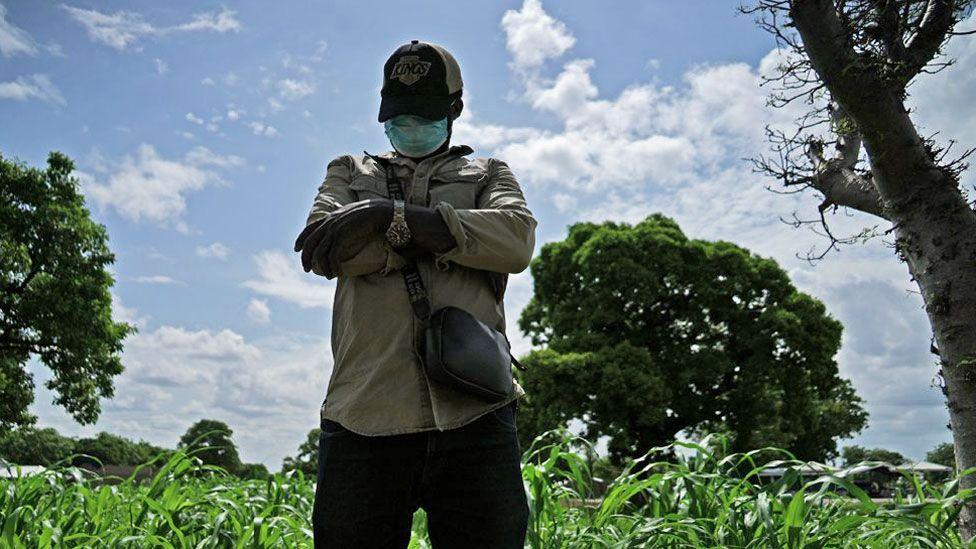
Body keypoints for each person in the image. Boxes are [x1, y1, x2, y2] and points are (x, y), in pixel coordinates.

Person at [294, 39, 537, 548]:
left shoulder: (489, 173)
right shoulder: (348, 171)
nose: (410, 127)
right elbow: (323, 249)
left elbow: (514, 241)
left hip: (477, 414)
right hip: (364, 414)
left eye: (424, 115)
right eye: (399, 115)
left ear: (454, 110)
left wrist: (384, 218)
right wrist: (445, 239)